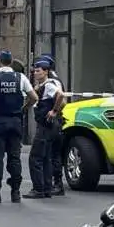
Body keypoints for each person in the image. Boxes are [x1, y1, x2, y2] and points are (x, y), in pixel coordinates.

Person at [0, 50, 38, 203]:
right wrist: (23, 108)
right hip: (15, 122)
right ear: (11, 62)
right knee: (14, 157)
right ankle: (15, 192)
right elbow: (34, 97)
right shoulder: (20, 77)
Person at [25, 57, 65, 198]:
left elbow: (60, 96)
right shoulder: (43, 85)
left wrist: (54, 111)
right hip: (50, 126)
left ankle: (38, 189)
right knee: (46, 157)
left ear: (46, 71)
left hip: (45, 126)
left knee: (35, 158)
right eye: (34, 71)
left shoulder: (49, 85)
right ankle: (47, 188)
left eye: (38, 71)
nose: (35, 73)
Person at [39, 54, 65, 195]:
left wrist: (54, 112)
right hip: (57, 120)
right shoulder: (55, 80)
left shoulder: (53, 82)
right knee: (53, 154)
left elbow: (63, 100)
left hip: (53, 122)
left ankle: (56, 184)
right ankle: (54, 183)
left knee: (52, 154)